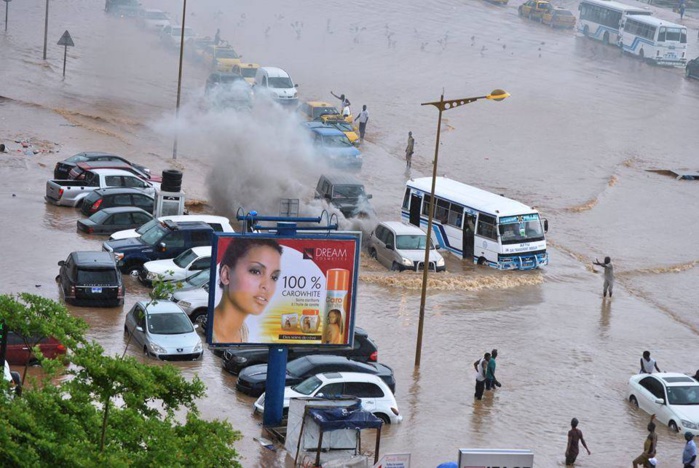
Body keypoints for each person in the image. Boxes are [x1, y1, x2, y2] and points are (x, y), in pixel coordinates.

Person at [213, 238, 282, 343]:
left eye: (274, 277)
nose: (267, 286)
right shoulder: (203, 334)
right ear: (226, 275)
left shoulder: (243, 331)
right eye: (255, 271)